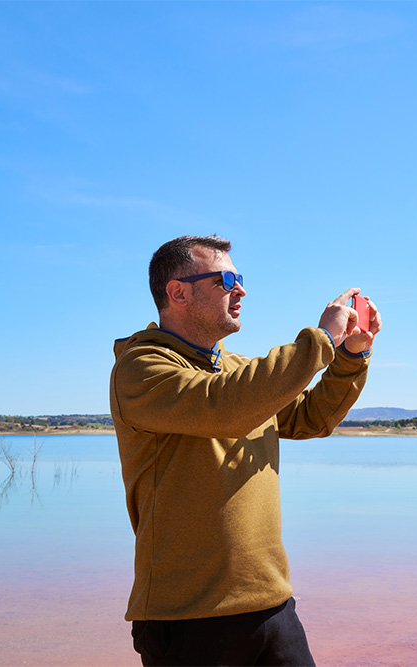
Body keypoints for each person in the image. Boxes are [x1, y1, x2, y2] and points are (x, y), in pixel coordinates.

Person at [110, 235, 379, 666]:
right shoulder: (141, 369)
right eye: (227, 279)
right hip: (189, 617)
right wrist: (321, 339)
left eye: (242, 278)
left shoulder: (237, 370)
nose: (241, 290)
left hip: (272, 605)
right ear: (177, 292)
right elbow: (225, 407)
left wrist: (350, 355)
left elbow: (311, 417)